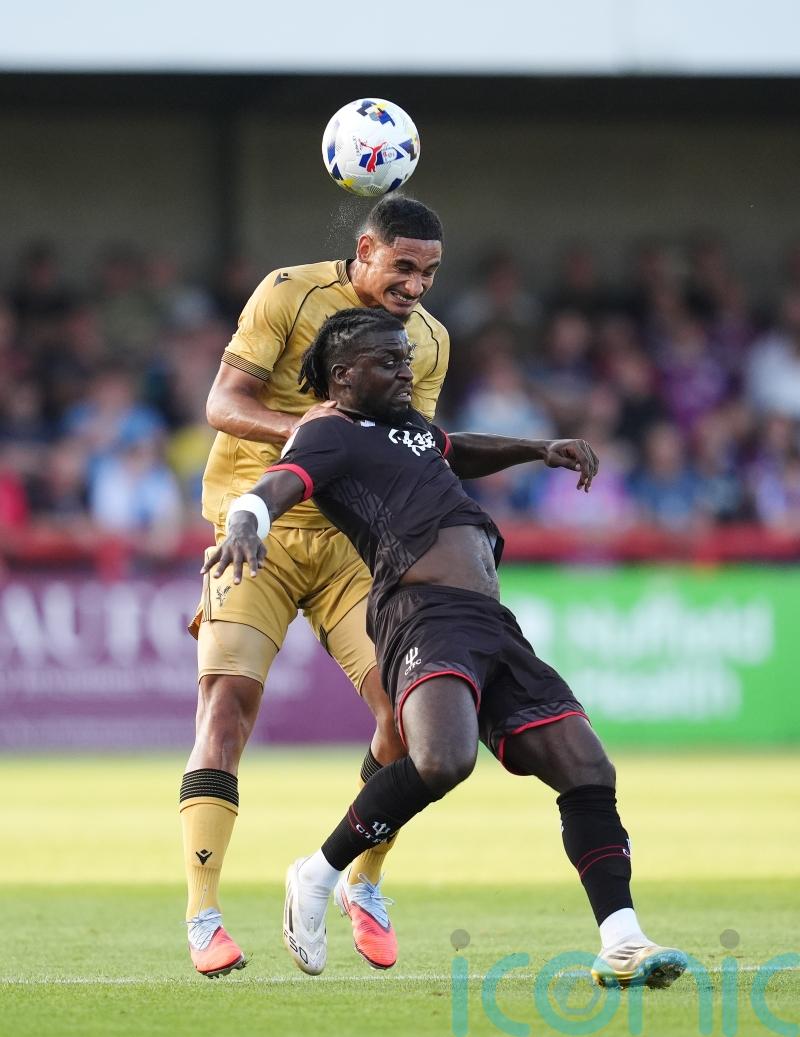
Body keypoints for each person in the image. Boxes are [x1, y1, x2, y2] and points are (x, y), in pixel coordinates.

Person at [206, 307, 689, 991]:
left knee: (588, 767)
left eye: (406, 357)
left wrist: (535, 448)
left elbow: (454, 448)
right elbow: (276, 483)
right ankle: (318, 872)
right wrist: (247, 523)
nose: (406, 368)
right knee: (442, 759)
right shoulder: (330, 432)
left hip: (490, 620)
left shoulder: (405, 427)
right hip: (421, 612)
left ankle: (622, 939)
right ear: (343, 375)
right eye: (387, 360)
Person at [182, 197, 448, 977]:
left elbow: (411, 449)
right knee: (225, 706)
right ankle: (204, 912)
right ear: (364, 251)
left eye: (429, 272)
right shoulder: (288, 292)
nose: (415, 287)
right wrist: (312, 433)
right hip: (253, 531)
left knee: (406, 714)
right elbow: (222, 403)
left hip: (350, 547)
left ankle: (361, 882)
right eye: (402, 267)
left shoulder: (429, 342)